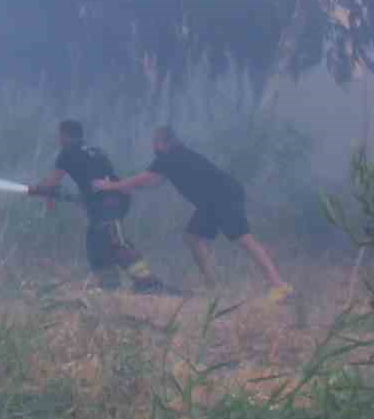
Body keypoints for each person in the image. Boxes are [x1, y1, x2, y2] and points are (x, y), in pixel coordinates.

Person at [95, 126, 292, 302]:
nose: (153, 147)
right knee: (192, 237)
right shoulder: (176, 156)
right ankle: (214, 286)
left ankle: (279, 286)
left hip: (223, 196)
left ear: (165, 142)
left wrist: (111, 186)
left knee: (245, 240)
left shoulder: (170, 156)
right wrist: (125, 188)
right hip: (212, 201)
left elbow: (143, 179)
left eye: (155, 143)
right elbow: (153, 182)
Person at [28, 120, 167, 293]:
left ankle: (148, 283)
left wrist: (37, 190)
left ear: (65, 136)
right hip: (113, 199)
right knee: (95, 242)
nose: (58, 139)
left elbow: (51, 183)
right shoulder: (94, 151)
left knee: (115, 241)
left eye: (60, 135)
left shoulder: (67, 152)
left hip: (109, 201)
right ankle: (109, 285)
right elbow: (91, 182)